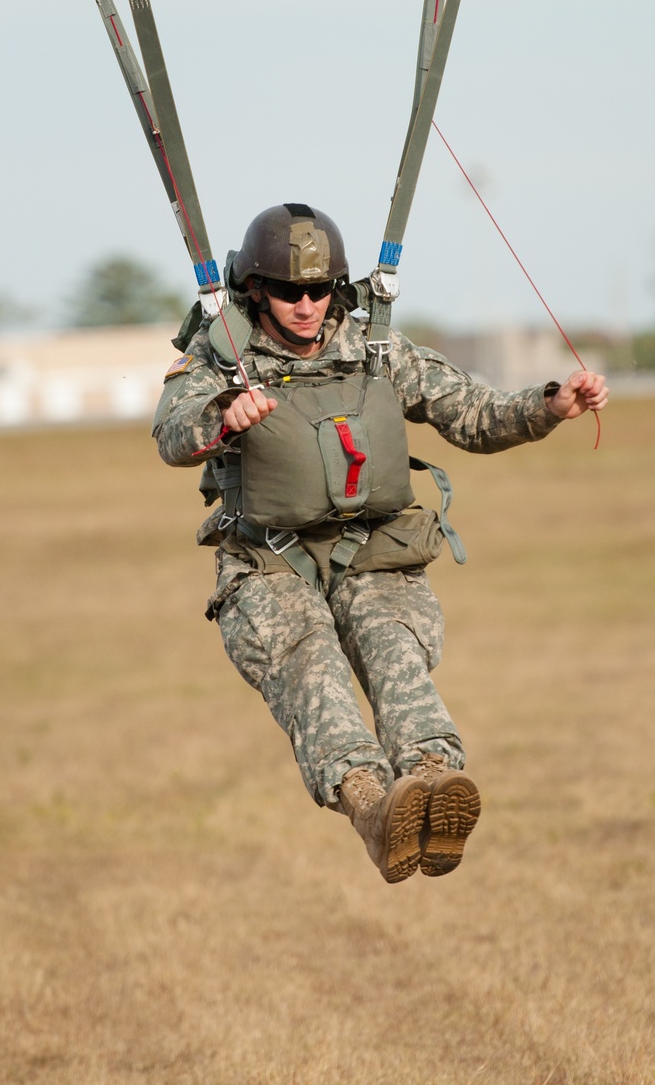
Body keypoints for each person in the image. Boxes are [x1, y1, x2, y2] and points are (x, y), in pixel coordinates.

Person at [153, 203, 608, 884]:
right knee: (312, 669)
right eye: (287, 291)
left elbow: (473, 415)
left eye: (319, 289)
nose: (305, 305)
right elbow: (171, 435)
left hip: (373, 552)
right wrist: (223, 416)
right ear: (255, 290)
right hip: (267, 565)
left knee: (394, 649)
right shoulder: (221, 357)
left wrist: (548, 406)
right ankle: (373, 806)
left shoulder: (378, 351)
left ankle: (431, 784)